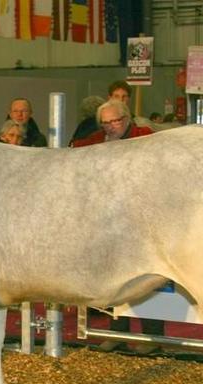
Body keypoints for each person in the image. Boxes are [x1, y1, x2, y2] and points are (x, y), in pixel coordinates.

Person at [70, 99, 164, 354]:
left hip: (143, 219)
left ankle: (152, 337)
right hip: (110, 221)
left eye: (117, 121)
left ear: (128, 118)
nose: (112, 127)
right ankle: (115, 332)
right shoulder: (97, 140)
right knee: (115, 280)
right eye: (106, 123)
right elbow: (71, 152)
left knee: (150, 277)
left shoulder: (145, 137)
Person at [70, 99, 152, 147]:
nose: (110, 127)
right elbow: (75, 146)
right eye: (105, 123)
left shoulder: (143, 134)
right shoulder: (100, 136)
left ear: (126, 119)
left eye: (115, 121)